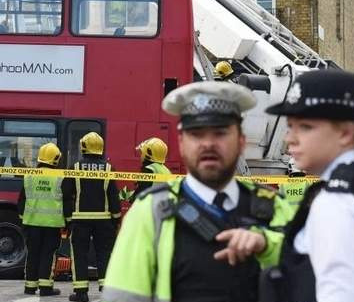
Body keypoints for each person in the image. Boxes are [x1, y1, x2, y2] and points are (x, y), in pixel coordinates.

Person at [102, 81, 294, 302]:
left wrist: (267, 246)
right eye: (196, 134)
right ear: (181, 143)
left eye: (220, 133)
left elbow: (308, 281)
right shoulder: (149, 212)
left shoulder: (275, 207)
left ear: (241, 142)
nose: (208, 144)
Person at [260, 69, 354, 302]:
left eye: (305, 127)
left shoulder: (337, 201)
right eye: (290, 126)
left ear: (345, 133)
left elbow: (339, 291)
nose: (289, 139)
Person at [62, 132, 121, 301]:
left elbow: (66, 194)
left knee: (79, 255)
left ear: (83, 147)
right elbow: (113, 196)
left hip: (80, 219)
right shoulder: (108, 168)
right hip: (104, 220)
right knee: (105, 253)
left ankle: (81, 293)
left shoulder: (75, 168)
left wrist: (68, 220)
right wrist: (116, 219)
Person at [17, 143, 65, 297]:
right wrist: (67, 221)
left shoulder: (30, 176)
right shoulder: (60, 177)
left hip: (32, 223)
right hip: (52, 224)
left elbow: (21, 201)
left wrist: (23, 220)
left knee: (33, 254)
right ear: (56, 159)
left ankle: (30, 287)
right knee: (47, 255)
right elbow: (65, 201)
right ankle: (46, 287)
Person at [126, 137, 172, 203]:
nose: (141, 155)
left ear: (147, 155)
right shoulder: (166, 170)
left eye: (142, 152)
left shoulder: (148, 170)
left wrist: (129, 197)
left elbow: (141, 194)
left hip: (149, 206)